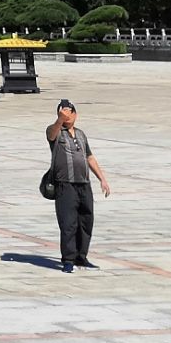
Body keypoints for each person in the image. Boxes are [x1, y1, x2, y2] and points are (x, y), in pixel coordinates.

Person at [45, 99, 111, 272]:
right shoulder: (56, 132)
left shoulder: (81, 134)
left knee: (86, 221)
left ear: (75, 114)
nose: (66, 115)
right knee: (68, 223)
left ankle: (81, 258)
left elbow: (89, 157)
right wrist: (60, 120)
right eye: (62, 112)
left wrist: (102, 179)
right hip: (65, 185)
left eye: (69, 112)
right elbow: (51, 135)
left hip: (84, 184)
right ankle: (68, 260)